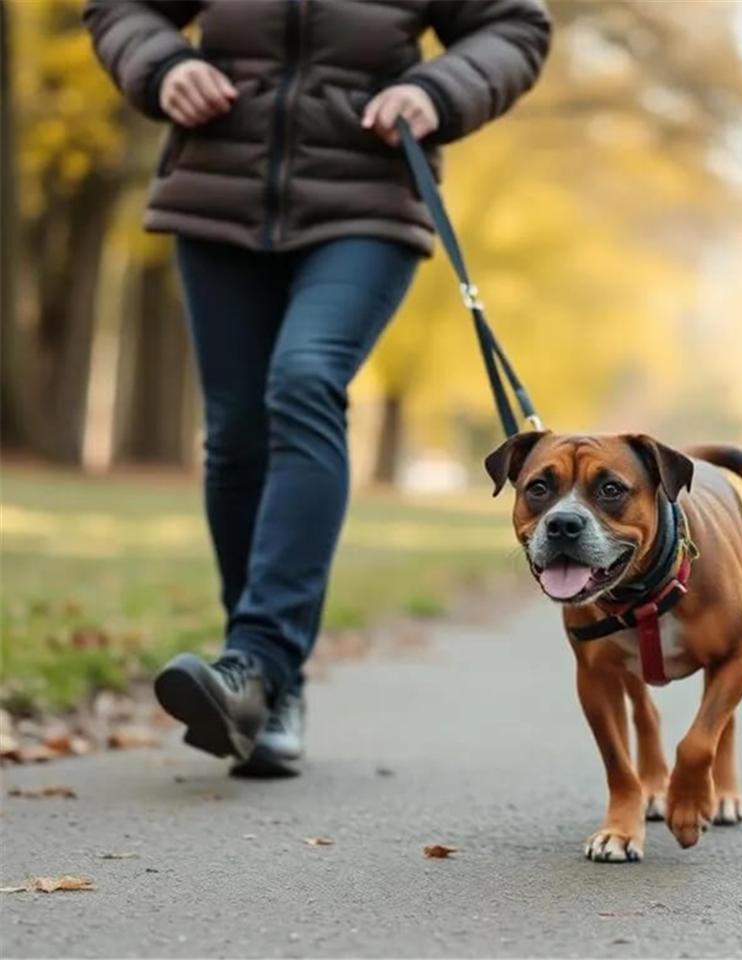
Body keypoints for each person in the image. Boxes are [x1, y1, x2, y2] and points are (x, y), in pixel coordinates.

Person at [82, 0, 551, 777]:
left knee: (304, 380)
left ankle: (256, 665)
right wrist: (165, 66)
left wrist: (438, 91)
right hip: (218, 190)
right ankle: (269, 688)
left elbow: (515, 25)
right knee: (235, 431)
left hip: (365, 196)